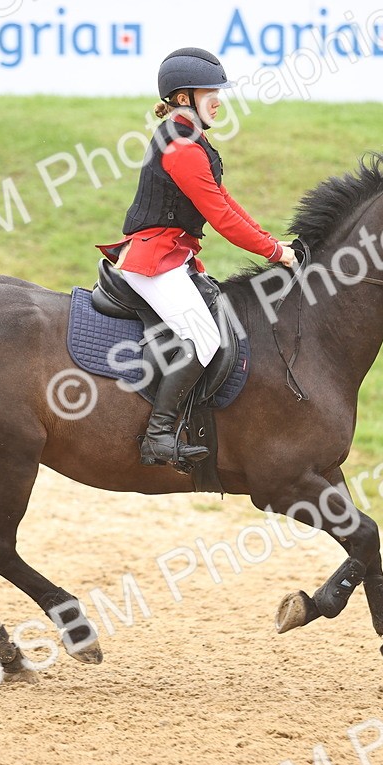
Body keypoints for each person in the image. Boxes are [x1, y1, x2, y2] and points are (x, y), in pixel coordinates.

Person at [97, 47, 297, 471]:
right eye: (211, 93)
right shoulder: (182, 148)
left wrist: (271, 242)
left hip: (172, 256)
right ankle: (158, 437)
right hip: (155, 260)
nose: (219, 101)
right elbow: (220, 217)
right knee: (204, 339)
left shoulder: (192, 139)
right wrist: (274, 252)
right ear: (184, 97)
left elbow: (225, 200)